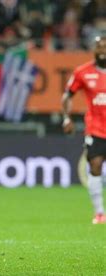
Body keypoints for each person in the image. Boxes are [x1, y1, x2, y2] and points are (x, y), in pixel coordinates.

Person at [62, 36, 106, 225]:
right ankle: (99, 213)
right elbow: (67, 96)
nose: (102, 49)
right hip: (96, 129)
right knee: (95, 165)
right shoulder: (83, 72)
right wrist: (66, 117)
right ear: (94, 49)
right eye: (99, 46)